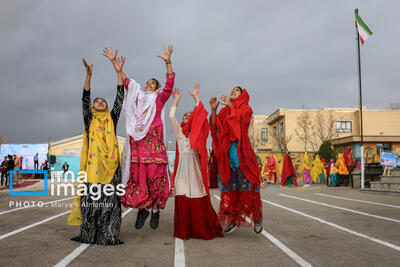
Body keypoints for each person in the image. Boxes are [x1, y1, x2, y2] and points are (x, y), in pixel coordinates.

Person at [104, 45, 175, 230]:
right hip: (138, 146)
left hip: (155, 147)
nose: (148, 85)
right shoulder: (137, 99)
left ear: (157, 88)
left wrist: (167, 61)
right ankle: (142, 210)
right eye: (147, 83)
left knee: (156, 177)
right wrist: (115, 65)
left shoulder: (158, 99)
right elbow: (127, 82)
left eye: (153, 83)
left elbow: (169, 85)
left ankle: (155, 211)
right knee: (139, 179)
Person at [68, 55, 126, 245]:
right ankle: (89, 234)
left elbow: (120, 97)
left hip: (111, 169)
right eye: (97, 101)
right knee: (91, 205)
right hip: (92, 171)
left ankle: (108, 235)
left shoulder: (112, 118)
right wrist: (88, 76)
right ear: (93, 107)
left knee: (109, 205)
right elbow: (85, 99)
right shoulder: (89, 119)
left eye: (103, 101)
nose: (100, 102)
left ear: (107, 107)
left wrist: (118, 72)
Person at [170, 85, 223, 240]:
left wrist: (196, 97)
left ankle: (198, 229)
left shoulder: (197, 134)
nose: (187, 116)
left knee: (196, 197)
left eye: (190, 115)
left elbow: (200, 114)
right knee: (181, 195)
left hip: (194, 171)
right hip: (181, 172)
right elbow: (171, 117)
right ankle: (183, 230)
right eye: (185, 116)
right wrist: (176, 101)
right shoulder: (180, 133)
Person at [209, 86, 263, 234]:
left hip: (243, 155)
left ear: (243, 94)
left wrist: (231, 106)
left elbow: (242, 123)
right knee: (229, 191)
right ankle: (232, 219)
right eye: (232, 89)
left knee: (249, 189)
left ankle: (257, 217)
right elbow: (215, 127)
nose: (232, 91)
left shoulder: (246, 108)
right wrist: (214, 110)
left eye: (236, 90)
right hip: (228, 157)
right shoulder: (224, 110)